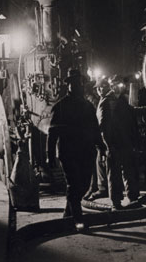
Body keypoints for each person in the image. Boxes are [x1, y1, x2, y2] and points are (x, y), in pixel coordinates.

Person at [46, 68, 104, 231]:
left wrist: (101, 146)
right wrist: (49, 155)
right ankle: (78, 221)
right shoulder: (61, 107)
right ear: (69, 85)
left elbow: (95, 129)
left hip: (86, 152)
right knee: (73, 184)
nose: (77, 85)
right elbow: (52, 133)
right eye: (74, 83)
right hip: (69, 152)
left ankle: (68, 214)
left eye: (79, 82)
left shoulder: (88, 106)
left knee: (84, 185)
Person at [96, 76, 140, 209]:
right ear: (111, 85)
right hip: (114, 144)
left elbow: (131, 122)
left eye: (120, 84)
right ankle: (116, 202)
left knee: (129, 171)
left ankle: (133, 198)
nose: (118, 87)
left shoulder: (123, 100)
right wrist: (108, 145)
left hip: (125, 142)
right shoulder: (106, 101)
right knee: (114, 174)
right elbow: (102, 125)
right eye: (115, 84)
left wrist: (134, 140)